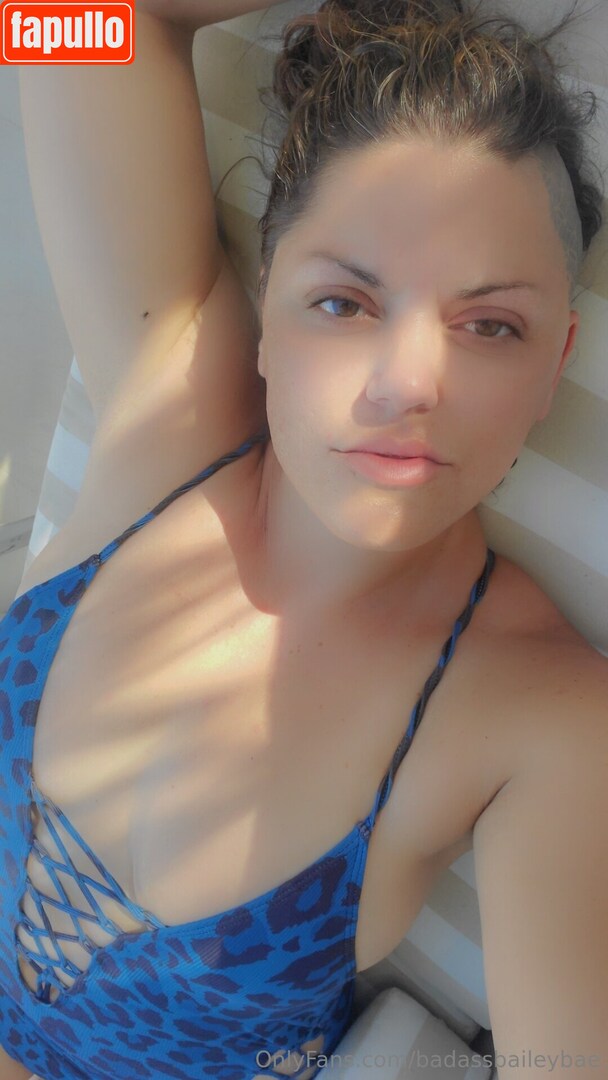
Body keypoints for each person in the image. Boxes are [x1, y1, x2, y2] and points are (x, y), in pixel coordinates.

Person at [3, 0, 607, 1076]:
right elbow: (66, 18)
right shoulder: (170, 414)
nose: (407, 385)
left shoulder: (539, 713)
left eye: (490, 325)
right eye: (343, 303)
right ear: (269, 303)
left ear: (555, 359)